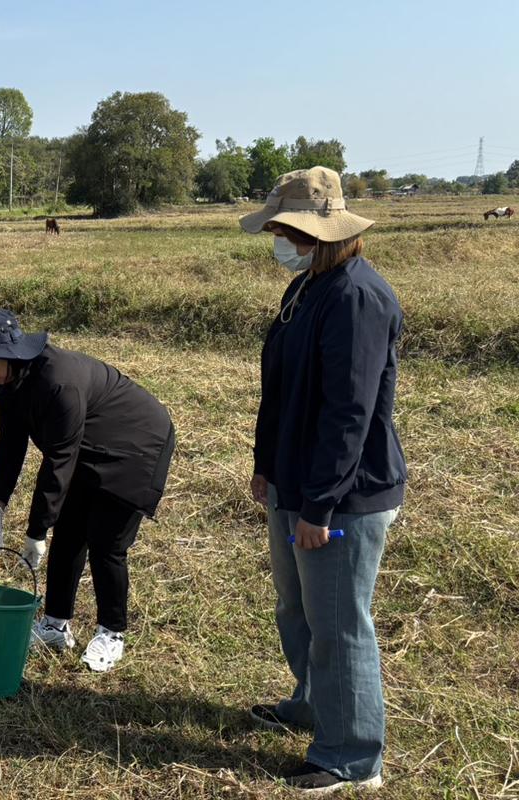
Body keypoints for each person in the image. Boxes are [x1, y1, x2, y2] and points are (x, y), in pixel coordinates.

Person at [240, 166, 406, 793]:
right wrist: (266, 465)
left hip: (343, 494)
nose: (278, 241)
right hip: (295, 477)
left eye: (284, 231)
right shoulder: (307, 288)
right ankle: (312, 703)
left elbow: (349, 414)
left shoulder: (358, 298)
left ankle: (351, 755)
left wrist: (320, 506)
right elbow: (280, 388)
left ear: (317, 233)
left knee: (338, 622)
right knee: (298, 608)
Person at [0, 309, 174, 673]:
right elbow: (11, 445)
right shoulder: (8, 381)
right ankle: (55, 624)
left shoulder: (58, 382)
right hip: (85, 445)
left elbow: (58, 461)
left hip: (136, 444)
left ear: (9, 353)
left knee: (106, 541)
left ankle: (111, 632)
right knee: (68, 534)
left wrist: (36, 530)